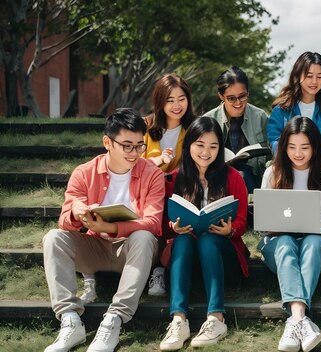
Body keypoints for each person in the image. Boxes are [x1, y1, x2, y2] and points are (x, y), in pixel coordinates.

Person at [43, 108, 165, 352]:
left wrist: (111, 227)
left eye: (139, 146)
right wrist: (78, 214)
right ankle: (70, 321)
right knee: (54, 238)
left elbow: (153, 222)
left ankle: (114, 321)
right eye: (127, 146)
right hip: (94, 247)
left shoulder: (152, 173)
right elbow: (64, 221)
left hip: (133, 250)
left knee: (143, 236)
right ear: (107, 142)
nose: (134, 153)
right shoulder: (84, 172)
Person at [158, 116, 249, 351]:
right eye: (200, 145)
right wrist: (173, 227)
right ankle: (179, 320)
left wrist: (231, 230)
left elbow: (241, 220)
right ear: (188, 145)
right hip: (186, 258)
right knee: (183, 240)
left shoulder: (232, 177)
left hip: (220, 256)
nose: (206, 152)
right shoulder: (176, 179)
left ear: (220, 148)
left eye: (213, 146)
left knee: (208, 239)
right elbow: (165, 220)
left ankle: (216, 319)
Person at [259, 116, 321, 352]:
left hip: (316, 245)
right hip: (278, 244)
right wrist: (285, 226)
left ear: (315, 147)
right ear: (283, 147)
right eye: (292, 147)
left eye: (304, 147)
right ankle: (300, 319)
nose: (297, 153)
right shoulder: (272, 173)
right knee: (284, 242)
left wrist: (307, 226)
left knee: (313, 242)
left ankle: (294, 322)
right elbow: (265, 223)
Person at [142, 74, 197, 297]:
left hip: (181, 191)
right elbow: (131, 162)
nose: (176, 106)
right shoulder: (145, 126)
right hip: (146, 190)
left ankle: (161, 269)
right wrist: (158, 161)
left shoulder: (194, 128)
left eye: (181, 99)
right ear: (159, 101)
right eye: (170, 100)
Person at [202, 66, 270, 193]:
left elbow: (271, 156)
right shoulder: (208, 119)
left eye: (242, 96)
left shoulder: (260, 117)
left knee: (242, 175)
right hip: (216, 180)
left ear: (248, 92)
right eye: (231, 98)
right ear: (221, 96)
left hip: (254, 181)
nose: (238, 103)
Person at [267, 51, 321, 161]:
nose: (314, 81)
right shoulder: (281, 110)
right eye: (309, 76)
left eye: (319, 77)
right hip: (288, 168)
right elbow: (275, 142)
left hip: (320, 169)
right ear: (298, 76)